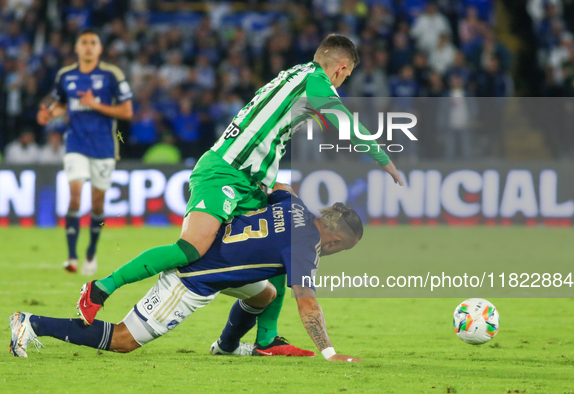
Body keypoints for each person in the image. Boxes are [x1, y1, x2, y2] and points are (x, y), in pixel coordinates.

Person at [77, 34, 403, 352]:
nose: (344, 81)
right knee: (191, 248)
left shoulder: (294, 74)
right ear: (341, 68)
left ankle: (266, 340)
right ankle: (101, 288)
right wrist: (385, 161)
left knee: (281, 244)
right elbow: (344, 122)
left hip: (250, 180)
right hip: (226, 171)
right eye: (348, 74)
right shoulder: (315, 81)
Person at [10, 186, 363, 362]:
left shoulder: (296, 206)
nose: (335, 252)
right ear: (333, 240)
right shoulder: (307, 248)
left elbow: (278, 188)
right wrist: (331, 353)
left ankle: (227, 347)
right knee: (124, 341)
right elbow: (308, 306)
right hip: (194, 279)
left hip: (210, 246)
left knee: (265, 292)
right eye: (341, 248)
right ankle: (31, 323)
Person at [36, 28, 133, 275]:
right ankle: (71, 256)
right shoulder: (66, 75)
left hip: (104, 147)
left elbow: (127, 111)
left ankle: (91, 251)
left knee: (98, 204)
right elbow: (61, 107)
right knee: (75, 195)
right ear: (77, 48)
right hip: (75, 144)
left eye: (93, 42)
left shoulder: (112, 74)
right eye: (84, 42)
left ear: (100, 48)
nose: (88, 46)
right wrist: (48, 114)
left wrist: (95, 104)